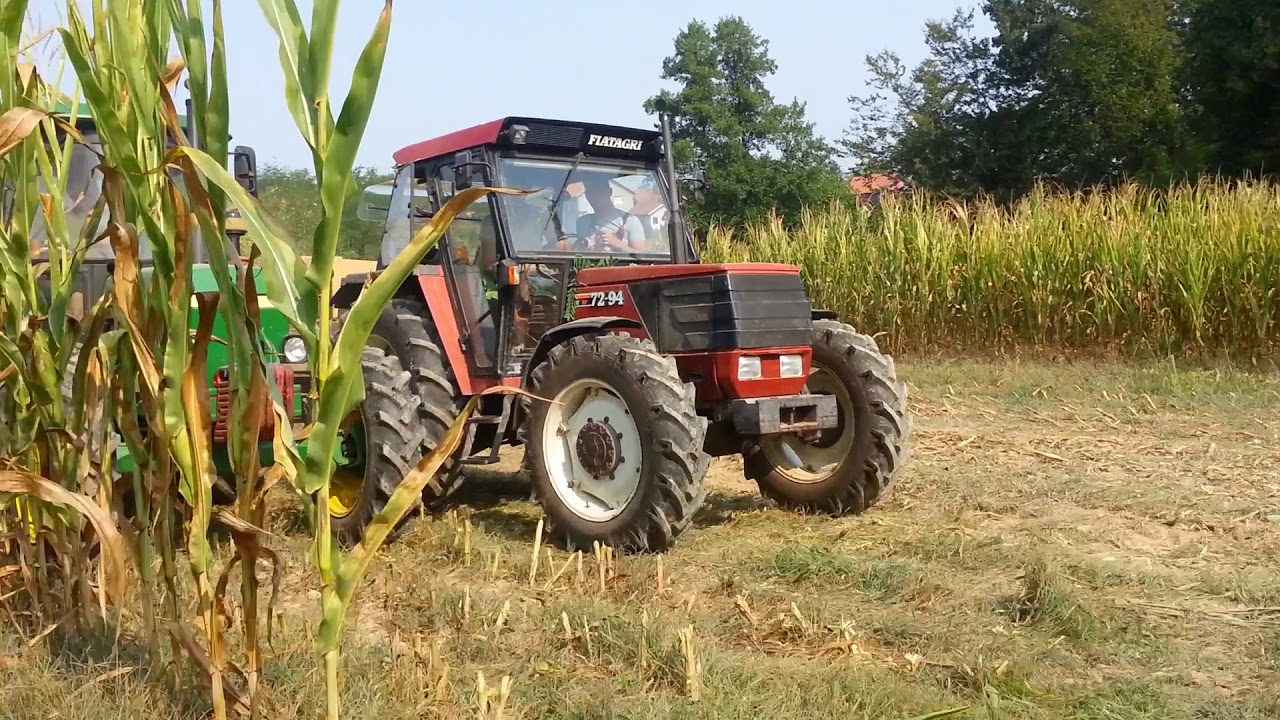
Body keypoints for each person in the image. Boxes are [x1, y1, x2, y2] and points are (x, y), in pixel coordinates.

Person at [573, 174, 650, 253]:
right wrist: (591, 249)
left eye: (598, 192)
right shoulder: (582, 222)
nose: (593, 197)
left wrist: (618, 244)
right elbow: (575, 254)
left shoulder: (630, 221)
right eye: (589, 193)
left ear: (610, 192)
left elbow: (643, 257)